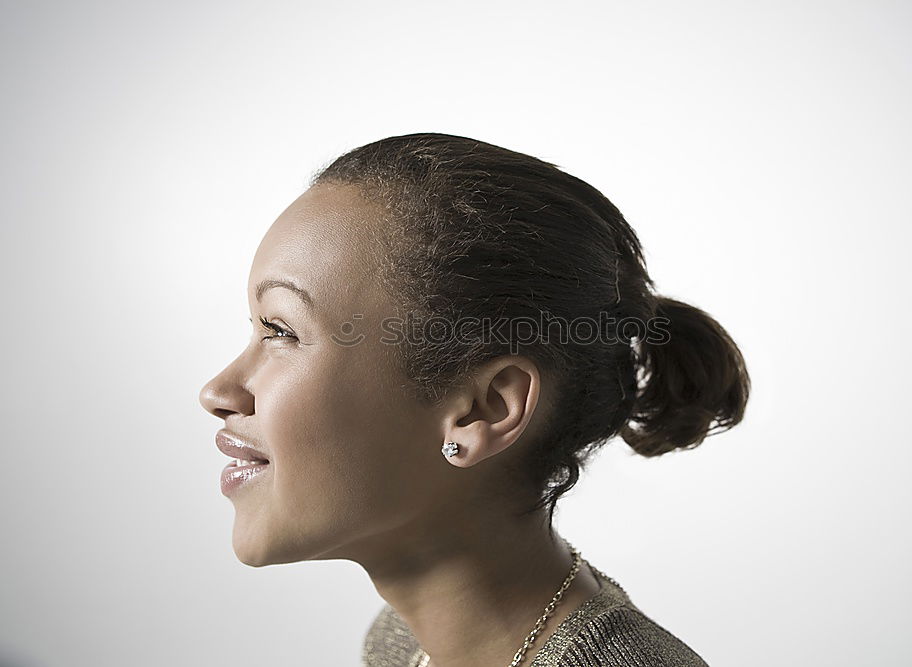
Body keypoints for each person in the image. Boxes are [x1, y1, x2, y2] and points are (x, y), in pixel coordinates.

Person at [199, 132, 750, 667]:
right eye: (255, 328)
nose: (217, 393)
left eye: (281, 331)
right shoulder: (400, 647)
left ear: (483, 410)